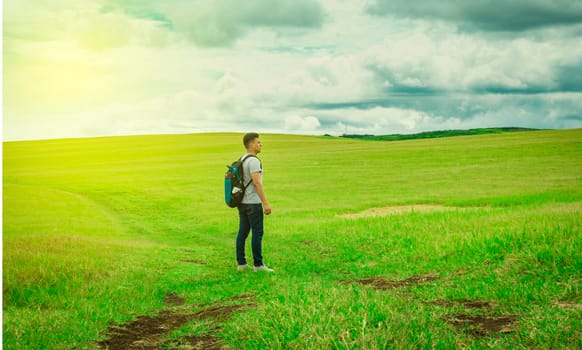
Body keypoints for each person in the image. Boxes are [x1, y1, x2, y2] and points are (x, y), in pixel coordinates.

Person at [236, 133, 274, 272]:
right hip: (253, 203)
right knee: (257, 233)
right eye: (258, 142)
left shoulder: (242, 158)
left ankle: (242, 264)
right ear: (251, 144)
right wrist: (265, 203)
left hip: (242, 203)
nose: (260, 145)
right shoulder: (254, 161)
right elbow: (257, 183)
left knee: (243, 232)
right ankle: (258, 265)